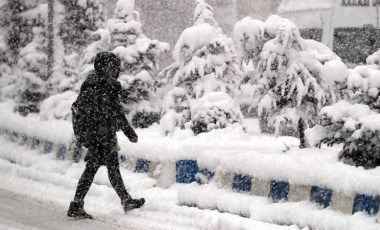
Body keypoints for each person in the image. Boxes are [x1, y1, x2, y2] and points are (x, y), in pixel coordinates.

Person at [68, 52, 145, 219]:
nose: (115, 69)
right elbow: (115, 112)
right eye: (113, 66)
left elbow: (103, 111)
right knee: (94, 170)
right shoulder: (103, 85)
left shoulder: (92, 83)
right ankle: (76, 204)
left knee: (111, 168)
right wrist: (129, 133)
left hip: (98, 134)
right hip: (101, 136)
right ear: (106, 67)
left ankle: (125, 200)